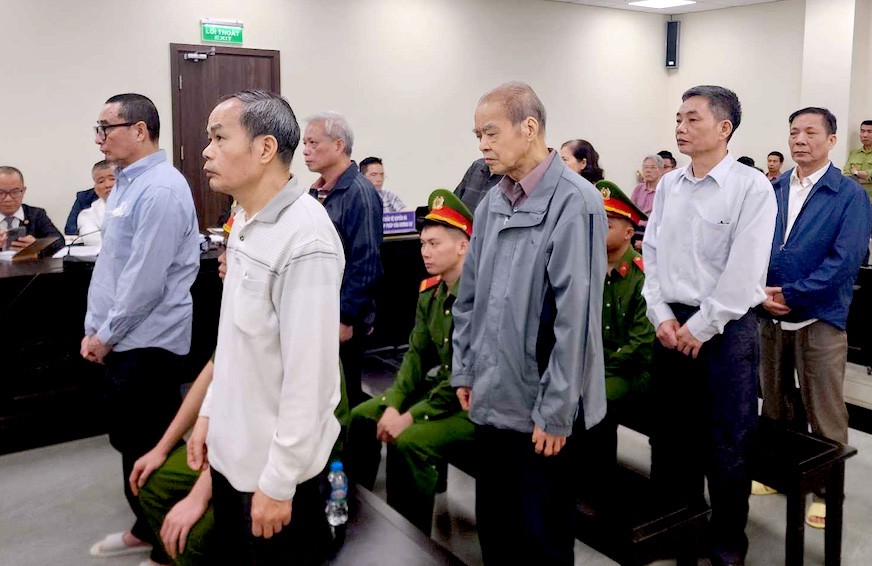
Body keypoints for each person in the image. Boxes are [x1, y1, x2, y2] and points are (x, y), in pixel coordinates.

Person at [452, 81, 607, 565]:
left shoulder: (575, 202)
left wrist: (556, 411)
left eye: (490, 132)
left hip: (542, 408)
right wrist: (465, 369)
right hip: (492, 395)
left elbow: (575, 319)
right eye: (478, 135)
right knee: (496, 530)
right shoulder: (493, 201)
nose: (482, 144)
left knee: (542, 540)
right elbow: (469, 298)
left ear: (529, 127)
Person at [187, 90, 344, 565]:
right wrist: (209, 414)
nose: (206, 151)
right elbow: (235, 341)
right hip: (233, 458)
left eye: (219, 138)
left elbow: (310, 382)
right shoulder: (246, 219)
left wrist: (278, 483)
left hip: (274, 477)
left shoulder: (306, 239)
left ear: (265, 148)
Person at [642, 85, 776, 566]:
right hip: (671, 326)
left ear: (724, 128)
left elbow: (744, 272)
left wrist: (701, 327)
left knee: (728, 444)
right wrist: (660, 314)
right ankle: (678, 532)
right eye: (678, 118)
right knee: (670, 440)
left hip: (726, 332)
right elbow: (651, 253)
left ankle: (726, 545)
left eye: (692, 119)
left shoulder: (750, 188)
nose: (680, 127)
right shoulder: (670, 186)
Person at [83, 93, 200, 565]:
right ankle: (145, 527)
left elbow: (144, 281)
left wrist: (105, 334)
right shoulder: (126, 183)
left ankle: (168, 541)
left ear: (139, 130)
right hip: (123, 337)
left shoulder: (161, 190)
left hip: (148, 343)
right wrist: (96, 327)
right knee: (130, 439)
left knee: (149, 441)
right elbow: (113, 266)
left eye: (106, 127)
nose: (99, 138)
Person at [758, 107, 872, 529]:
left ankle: (827, 488)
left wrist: (792, 293)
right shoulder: (773, 188)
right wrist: (760, 292)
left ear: (831, 141)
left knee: (824, 408)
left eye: (810, 132)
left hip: (819, 316)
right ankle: (780, 472)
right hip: (770, 312)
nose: (800, 139)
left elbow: (845, 262)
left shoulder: (848, 195)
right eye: (794, 132)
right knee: (775, 401)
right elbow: (755, 243)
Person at [347, 189, 474, 533]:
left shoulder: (478, 297)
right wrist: (394, 403)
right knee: (362, 416)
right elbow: (415, 358)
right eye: (422, 244)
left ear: (463, 246)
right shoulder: (431, 292)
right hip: (441, 389)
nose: (425, 252)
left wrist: (409, 415)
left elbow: (463, 376)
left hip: (471, 402)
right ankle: (356, 509)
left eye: (434, 244)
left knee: (410, 441)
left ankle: (410, 539)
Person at [576, 180, 654, 505]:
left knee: (594, 399)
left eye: (606, 224)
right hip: (597, 366)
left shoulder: (642, 276)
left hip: (632, 371)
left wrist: (593, 370)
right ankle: (574, 478)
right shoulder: (588, 269)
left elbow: (640, 344)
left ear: (628, 233)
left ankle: (598, 489)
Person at [304, 111, 383, 407]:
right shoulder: (316, 191)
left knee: (344, 394)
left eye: (313, 143)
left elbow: (366, 263)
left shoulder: (359, 192)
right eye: (304, 143)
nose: (305, 150)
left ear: (338, 145)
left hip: (344, 315)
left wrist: (345, 317)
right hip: (319, 308)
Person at [0, 166, 64, 255]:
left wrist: (37, 246)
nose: (8, 199)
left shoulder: (36, 215)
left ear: (23, 191)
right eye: (1, 193)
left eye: (15, 192)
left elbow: (59, 242)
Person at [75, 160, 116, 246]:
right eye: (101, 181)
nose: (108, 185)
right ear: (96, 189)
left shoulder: (138, 204)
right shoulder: (87, 215)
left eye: (112, 179)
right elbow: (93, 241)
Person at [842, 119, 872, 199]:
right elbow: (846, 174)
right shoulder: (854, 154)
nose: (865, 135)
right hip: (856, 198)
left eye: (869, 132)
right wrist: (866, 178)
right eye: (862, 131)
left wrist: (856, 172)